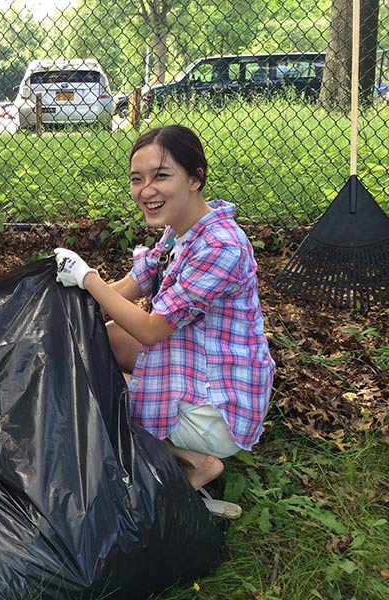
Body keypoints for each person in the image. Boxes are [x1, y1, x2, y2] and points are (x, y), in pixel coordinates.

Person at [54, 125, 274, 509]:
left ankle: (191, 455)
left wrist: (87, 278)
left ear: (195, 178)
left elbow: (152, 330)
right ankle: (192, 460)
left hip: (217, 403)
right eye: (137, 179)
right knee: (100, 339)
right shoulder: (179, 232)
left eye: (161, 176)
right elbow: (127, 289)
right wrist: (64, 296)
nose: (146, 190)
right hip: (193, 361)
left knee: (92, 384)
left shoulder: (221, 247)